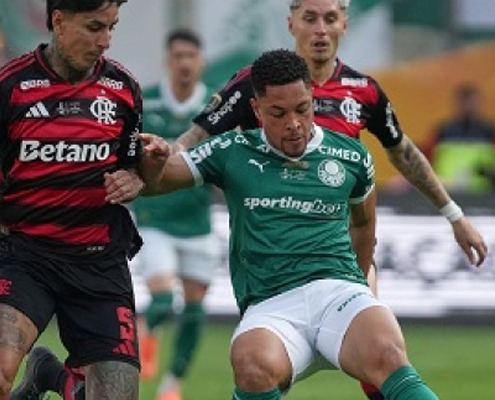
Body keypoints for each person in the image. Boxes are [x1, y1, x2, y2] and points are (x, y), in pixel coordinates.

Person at [163, 1, 488, 398]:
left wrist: (454, 215)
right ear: (291, 24)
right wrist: (162, 158)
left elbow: (402, 153)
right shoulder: (255, 82)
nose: (320, 29)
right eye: (310, 18)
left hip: (341, 247)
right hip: (276, 256)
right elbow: (196, 137)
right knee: (260, 366)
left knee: (380, 359)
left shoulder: (363, 91)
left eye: (330, 18)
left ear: (344, 24)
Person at [111, 48, 446, 400]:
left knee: (389, 353)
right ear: (256, 109)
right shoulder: (232, 150)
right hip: (271, 306)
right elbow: (159, 182)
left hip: (339, 293)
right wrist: (155, 162)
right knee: (251, 365)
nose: (294, 123)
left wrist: (358, 287)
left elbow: (363, 226)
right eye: (278, 113)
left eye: (302, 108)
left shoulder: (351, 156)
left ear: (312, 98)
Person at [1, 1, 145, 400]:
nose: (106, 41)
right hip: (26, 255)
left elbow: (134, 168)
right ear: (58, 21)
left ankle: (52, 375)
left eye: (112, 27)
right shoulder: (10, 89)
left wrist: (135, 179)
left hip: (99, 262)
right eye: (95, 27)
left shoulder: (123, 90)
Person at [132, 28, 219, 400]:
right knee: (164, 299)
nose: (185, 63)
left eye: (191, 56)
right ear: (168, 61)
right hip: (154, 218)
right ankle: (146, 331)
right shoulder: (147, 102)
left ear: (201, 62)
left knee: (195, 308)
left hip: (197, 222)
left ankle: (172, 384)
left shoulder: (215, 106)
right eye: (178, 56)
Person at [424, 83, 495, 193]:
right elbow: (425, 158)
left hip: (482, 193)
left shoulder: (489, 131)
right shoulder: (443, 131)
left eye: (470, 102)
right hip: (447, 191)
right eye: (464, 102)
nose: (467, 106)